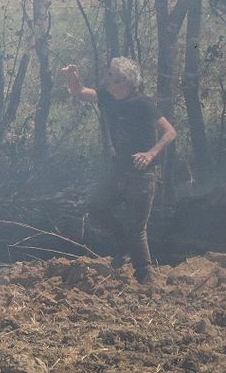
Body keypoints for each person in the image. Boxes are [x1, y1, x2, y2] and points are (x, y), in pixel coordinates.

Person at [61, 57, 177, 283]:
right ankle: (124, 245)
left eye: (110, 75)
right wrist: (72, 77)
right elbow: (80, 91)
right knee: (95, 208)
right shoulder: (107, 98)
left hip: (143, 173)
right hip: (119, 170)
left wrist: (150, 154)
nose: (105, 78)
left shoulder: (144, 104)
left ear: (122, 80)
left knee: (137, 228)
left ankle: (146, 279)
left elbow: (170, 132)